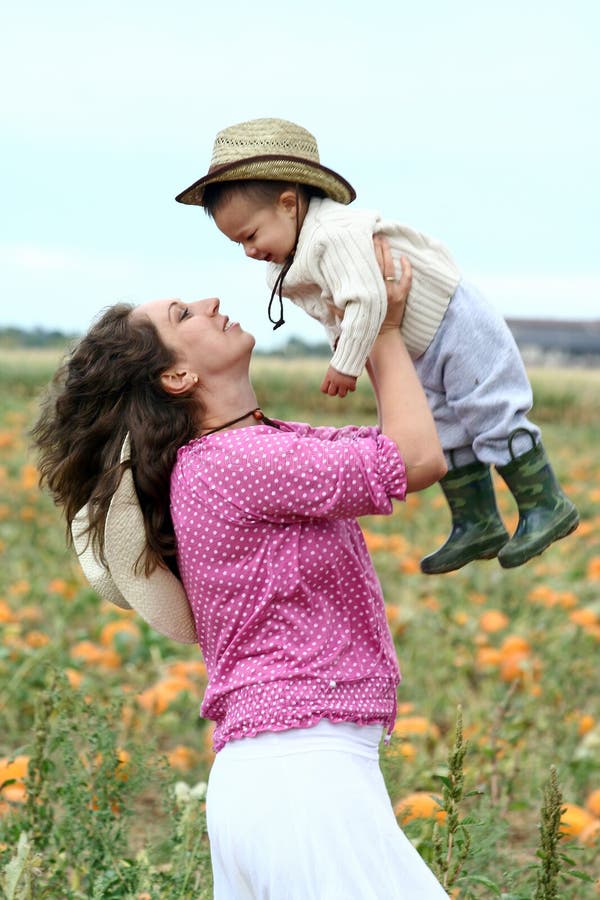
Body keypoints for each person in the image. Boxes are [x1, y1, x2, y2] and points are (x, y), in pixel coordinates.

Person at [33, 245, 450, 898]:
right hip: (302, 774)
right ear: (175, 378)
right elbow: (418, 458)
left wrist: (363, 323)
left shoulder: (243, 453)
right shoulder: (236, 463)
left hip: (281, 776)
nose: (211, 304)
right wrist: (386, 329)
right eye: (183, 314)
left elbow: (410, 441)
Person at [175, 116, 579, 575]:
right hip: (417, 341)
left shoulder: (335, 234)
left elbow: (367, 301)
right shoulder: (294, 260)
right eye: (237, 244)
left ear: (289, 204)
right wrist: (358, 354)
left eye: (250, 235)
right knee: (445, 426)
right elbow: (338, 316)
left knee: (490, 409)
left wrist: (345, 364)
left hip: (452, 318)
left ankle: (546, 503)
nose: (249, 251)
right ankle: (478, 521)